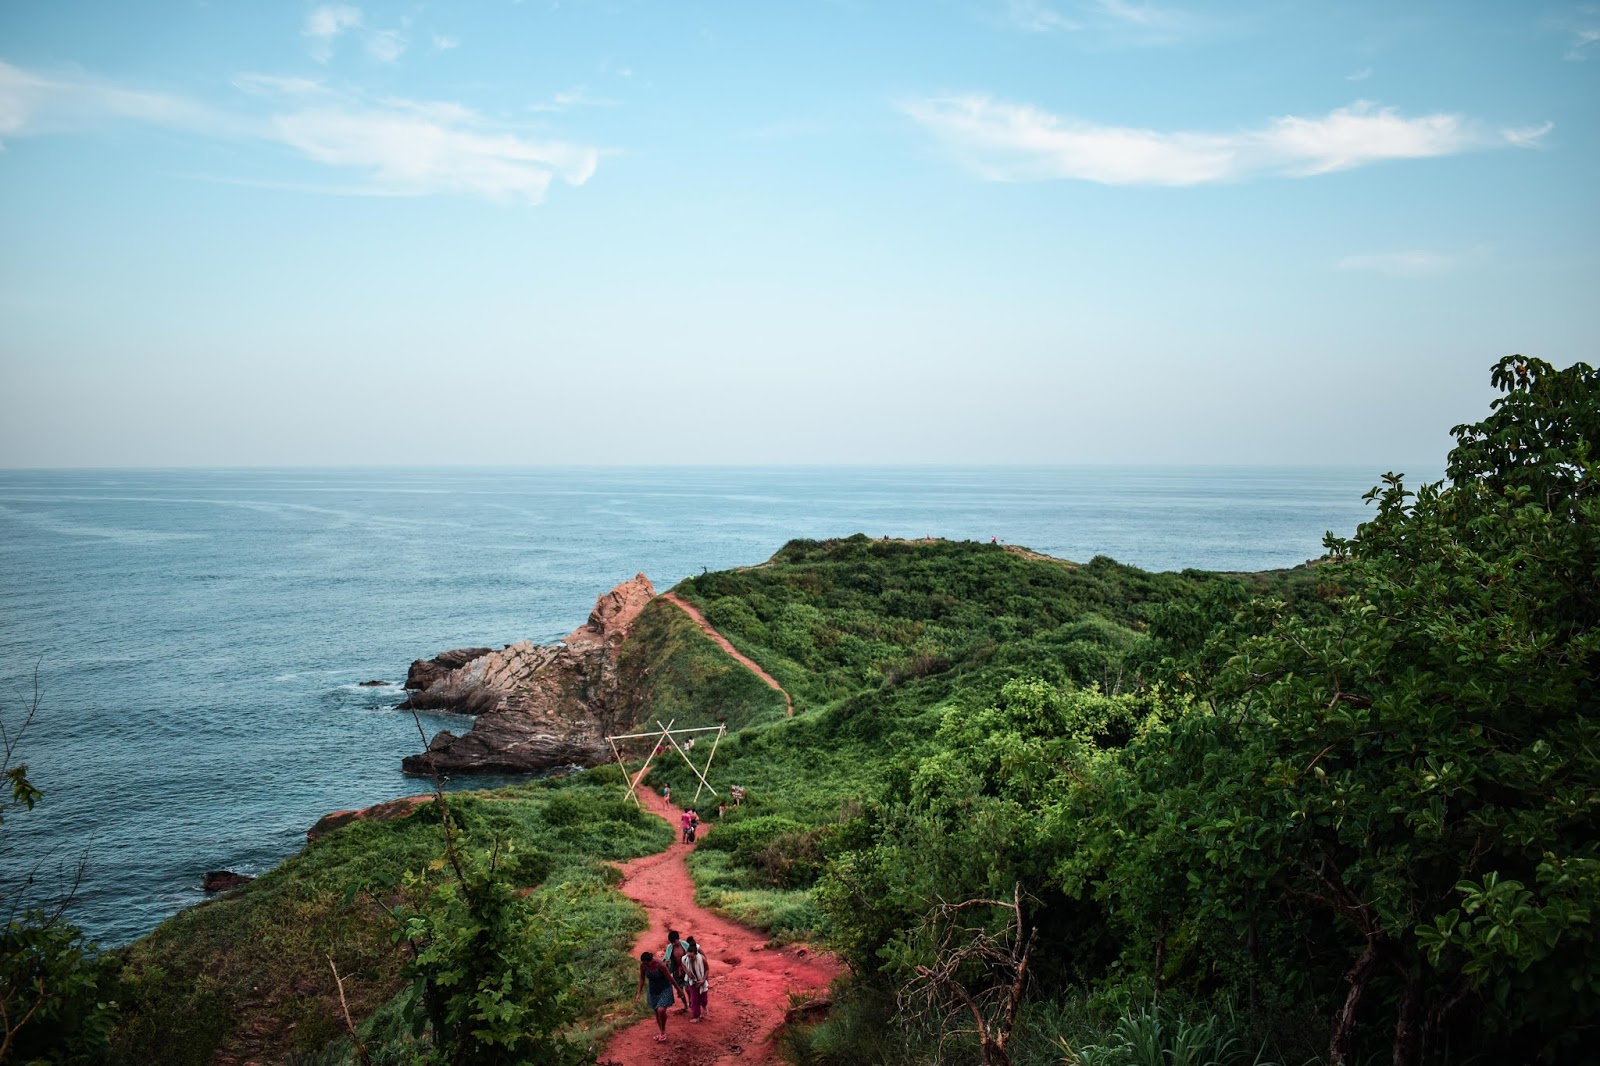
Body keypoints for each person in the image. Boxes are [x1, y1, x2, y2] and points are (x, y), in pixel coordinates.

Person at [635, 951, 674, 1043]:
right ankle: (661, 1032)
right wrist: (638, 993)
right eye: (644, 963)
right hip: (653, 990)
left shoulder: (660, 965)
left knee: (661, 1010)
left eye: (647, 963)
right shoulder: (643, 966)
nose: (646, 965)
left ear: (651, 960)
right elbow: (642, 979)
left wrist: (680, 991)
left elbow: (670, 978)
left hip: (664, 988)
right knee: (657, 1011)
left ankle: (663, 1030)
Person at [683, 936, 710, 1021]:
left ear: (696, 954)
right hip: (692, 982)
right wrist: (687, 973)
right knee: (694, 999)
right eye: (689, 956)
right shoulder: (685, 959)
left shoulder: (702, 959)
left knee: (703, 998)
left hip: (701, 980)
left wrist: (703, 980)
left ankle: (704, 1007)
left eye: (692, 957)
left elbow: (707, 969)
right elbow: (683, 965)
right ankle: (696, 1016)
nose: (690, 959)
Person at [663, 929, 691, 1010]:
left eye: (674, 942)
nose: (673, 944)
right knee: (679, 989)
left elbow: (692, 952)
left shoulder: (685, 945)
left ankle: (690, 1001)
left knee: (688, 988)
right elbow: (665, 958)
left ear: (677, 939)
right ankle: (685, 1005)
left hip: (686, 968)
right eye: (672, 942)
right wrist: (667, 961)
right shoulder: (670, 947)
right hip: (676, 970)